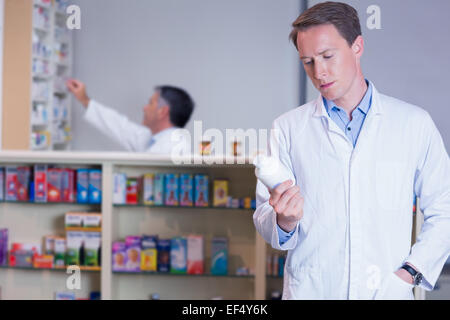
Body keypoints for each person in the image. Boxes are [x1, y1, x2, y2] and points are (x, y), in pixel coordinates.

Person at [253, 1, 450, 300]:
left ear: (357, 46)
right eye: (307, 61)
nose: (319, 72)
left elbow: (445, 210)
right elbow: (266, 219)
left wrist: (408, 273)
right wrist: (284, 221)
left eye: (327, 56)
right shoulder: (288, 128)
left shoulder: (413, 124)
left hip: (384, 292)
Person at [66, 79, 195, 154]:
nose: (144, 108)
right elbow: (121, 127)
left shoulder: (174, 146)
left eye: (150, 103)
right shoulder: (152, 138)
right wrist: (84, 100)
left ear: (163, 111)